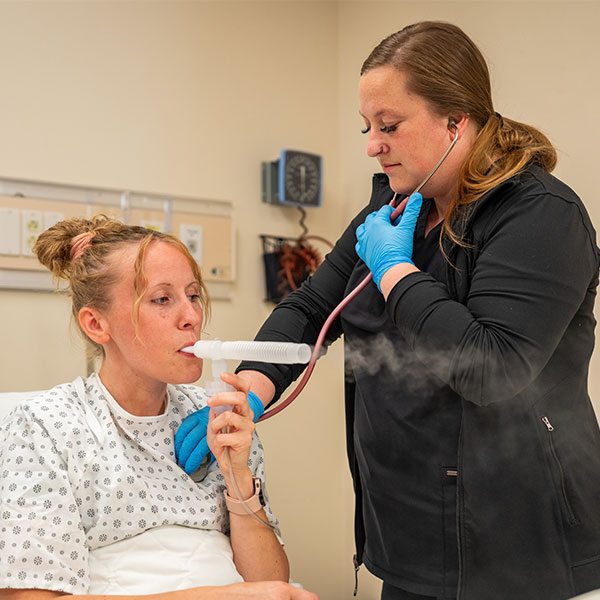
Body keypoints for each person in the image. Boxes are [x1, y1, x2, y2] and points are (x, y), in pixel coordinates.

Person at [175, 20, 600, 600]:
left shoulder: (539, 216)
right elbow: (309, 307)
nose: (372, 144)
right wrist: (254, 384)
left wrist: (398, 274)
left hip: (522, 549)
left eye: (389, 125)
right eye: (368, 126)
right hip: (409, 542)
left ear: (457, 120)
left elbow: (491, 367)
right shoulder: (392, 211)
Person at [0, 215, 318, 600]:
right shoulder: (46, 427)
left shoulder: (215, 416)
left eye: (194, 294)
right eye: (162, 299)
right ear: (97, 325)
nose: (192, 317)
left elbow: (270, 582)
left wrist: (237, 476)